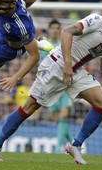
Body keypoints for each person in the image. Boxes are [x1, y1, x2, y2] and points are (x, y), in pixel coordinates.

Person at [0, 0, 102, 164]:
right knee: (30, 107)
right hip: (57, 65)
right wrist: (68, 64)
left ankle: (75, 145)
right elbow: (67, 32)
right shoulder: (97, 21)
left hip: (75, 71)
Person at [41, 19, 73, 153]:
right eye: (52, 28)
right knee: (56, 118)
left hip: (64, 85)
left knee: (64, 115)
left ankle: (58, 149)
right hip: (50, 86)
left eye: (57, 28)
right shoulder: (43, 45)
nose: (54, 30)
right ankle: (74, 144)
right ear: (49, 29)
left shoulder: (63, 44)